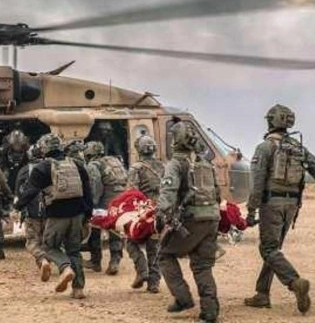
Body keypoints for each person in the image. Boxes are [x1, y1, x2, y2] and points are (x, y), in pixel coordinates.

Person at [244, 104, 315, 314]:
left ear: (271, 122)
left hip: (271, 204)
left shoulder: (265, 147)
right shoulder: (299, 148)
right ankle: (262, 294)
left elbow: (257, 182)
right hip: (292, 205)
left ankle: (295, 282)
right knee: (274, 251)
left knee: (268, 250)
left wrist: (252, 210)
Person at [156, 119, 221, 323]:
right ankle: (210, 311)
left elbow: (168, 193)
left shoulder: (176, 164)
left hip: (190, 220)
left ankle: (183, 298)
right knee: (202, 266)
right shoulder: (205, 163)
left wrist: (162, 217)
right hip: (212, 218)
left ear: (175, 140)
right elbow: (217, 193)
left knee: (164, 255)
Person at [15, 133, 93, 299]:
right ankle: (78, 289)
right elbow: (88, 192)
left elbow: (30, 192)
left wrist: (17, 207)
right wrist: (88, 215)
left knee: (48, 247)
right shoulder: (77, 165)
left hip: (57, 214)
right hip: (78, 214)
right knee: (74, 250)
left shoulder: (42, 168)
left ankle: (65, 268)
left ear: (44, 149)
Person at [125, 134, 165, 293]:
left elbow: (132, 193)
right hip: (160, 211)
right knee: (154, 247)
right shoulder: (163, 166)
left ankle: (142, 270)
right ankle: (154, 283)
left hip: (143, 212)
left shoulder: (136, 168)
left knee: (130, 242)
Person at [84, 141, 128, 275]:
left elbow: (96, 186)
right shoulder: (114, 161)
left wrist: (93, 203)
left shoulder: (94, 165)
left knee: (95, 229)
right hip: (120, 200)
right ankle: (115, 260)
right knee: (115, 229)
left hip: (105, 201)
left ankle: (95, 261)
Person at [14, 144, 47, 268]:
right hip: (50, 211)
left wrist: (17, 208)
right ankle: (45, 260)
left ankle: (42, 259)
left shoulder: (24, 170)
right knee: (46, 239)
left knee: (32, 241)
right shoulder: (50, 167)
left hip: (31, 211)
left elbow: (18, 192)